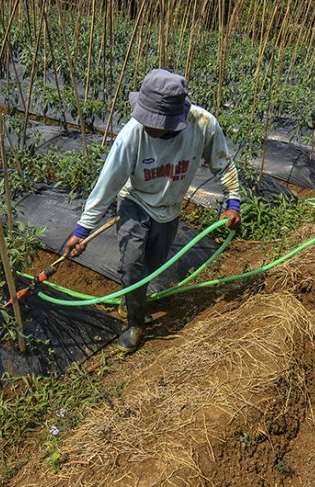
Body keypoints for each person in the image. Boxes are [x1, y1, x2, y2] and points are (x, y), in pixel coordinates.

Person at [64, 69, 242, 352]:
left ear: (175, 121)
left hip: (169, 209)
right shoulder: (132, 135)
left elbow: (223, 161)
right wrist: (83, 230)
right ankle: (135, 322)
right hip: (134, 203)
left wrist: (232, 201)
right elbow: (107, 184)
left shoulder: (203, 124)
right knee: (133, 264)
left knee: (153, 266)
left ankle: (133, 296)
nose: (145, 123)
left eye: (153, 122)